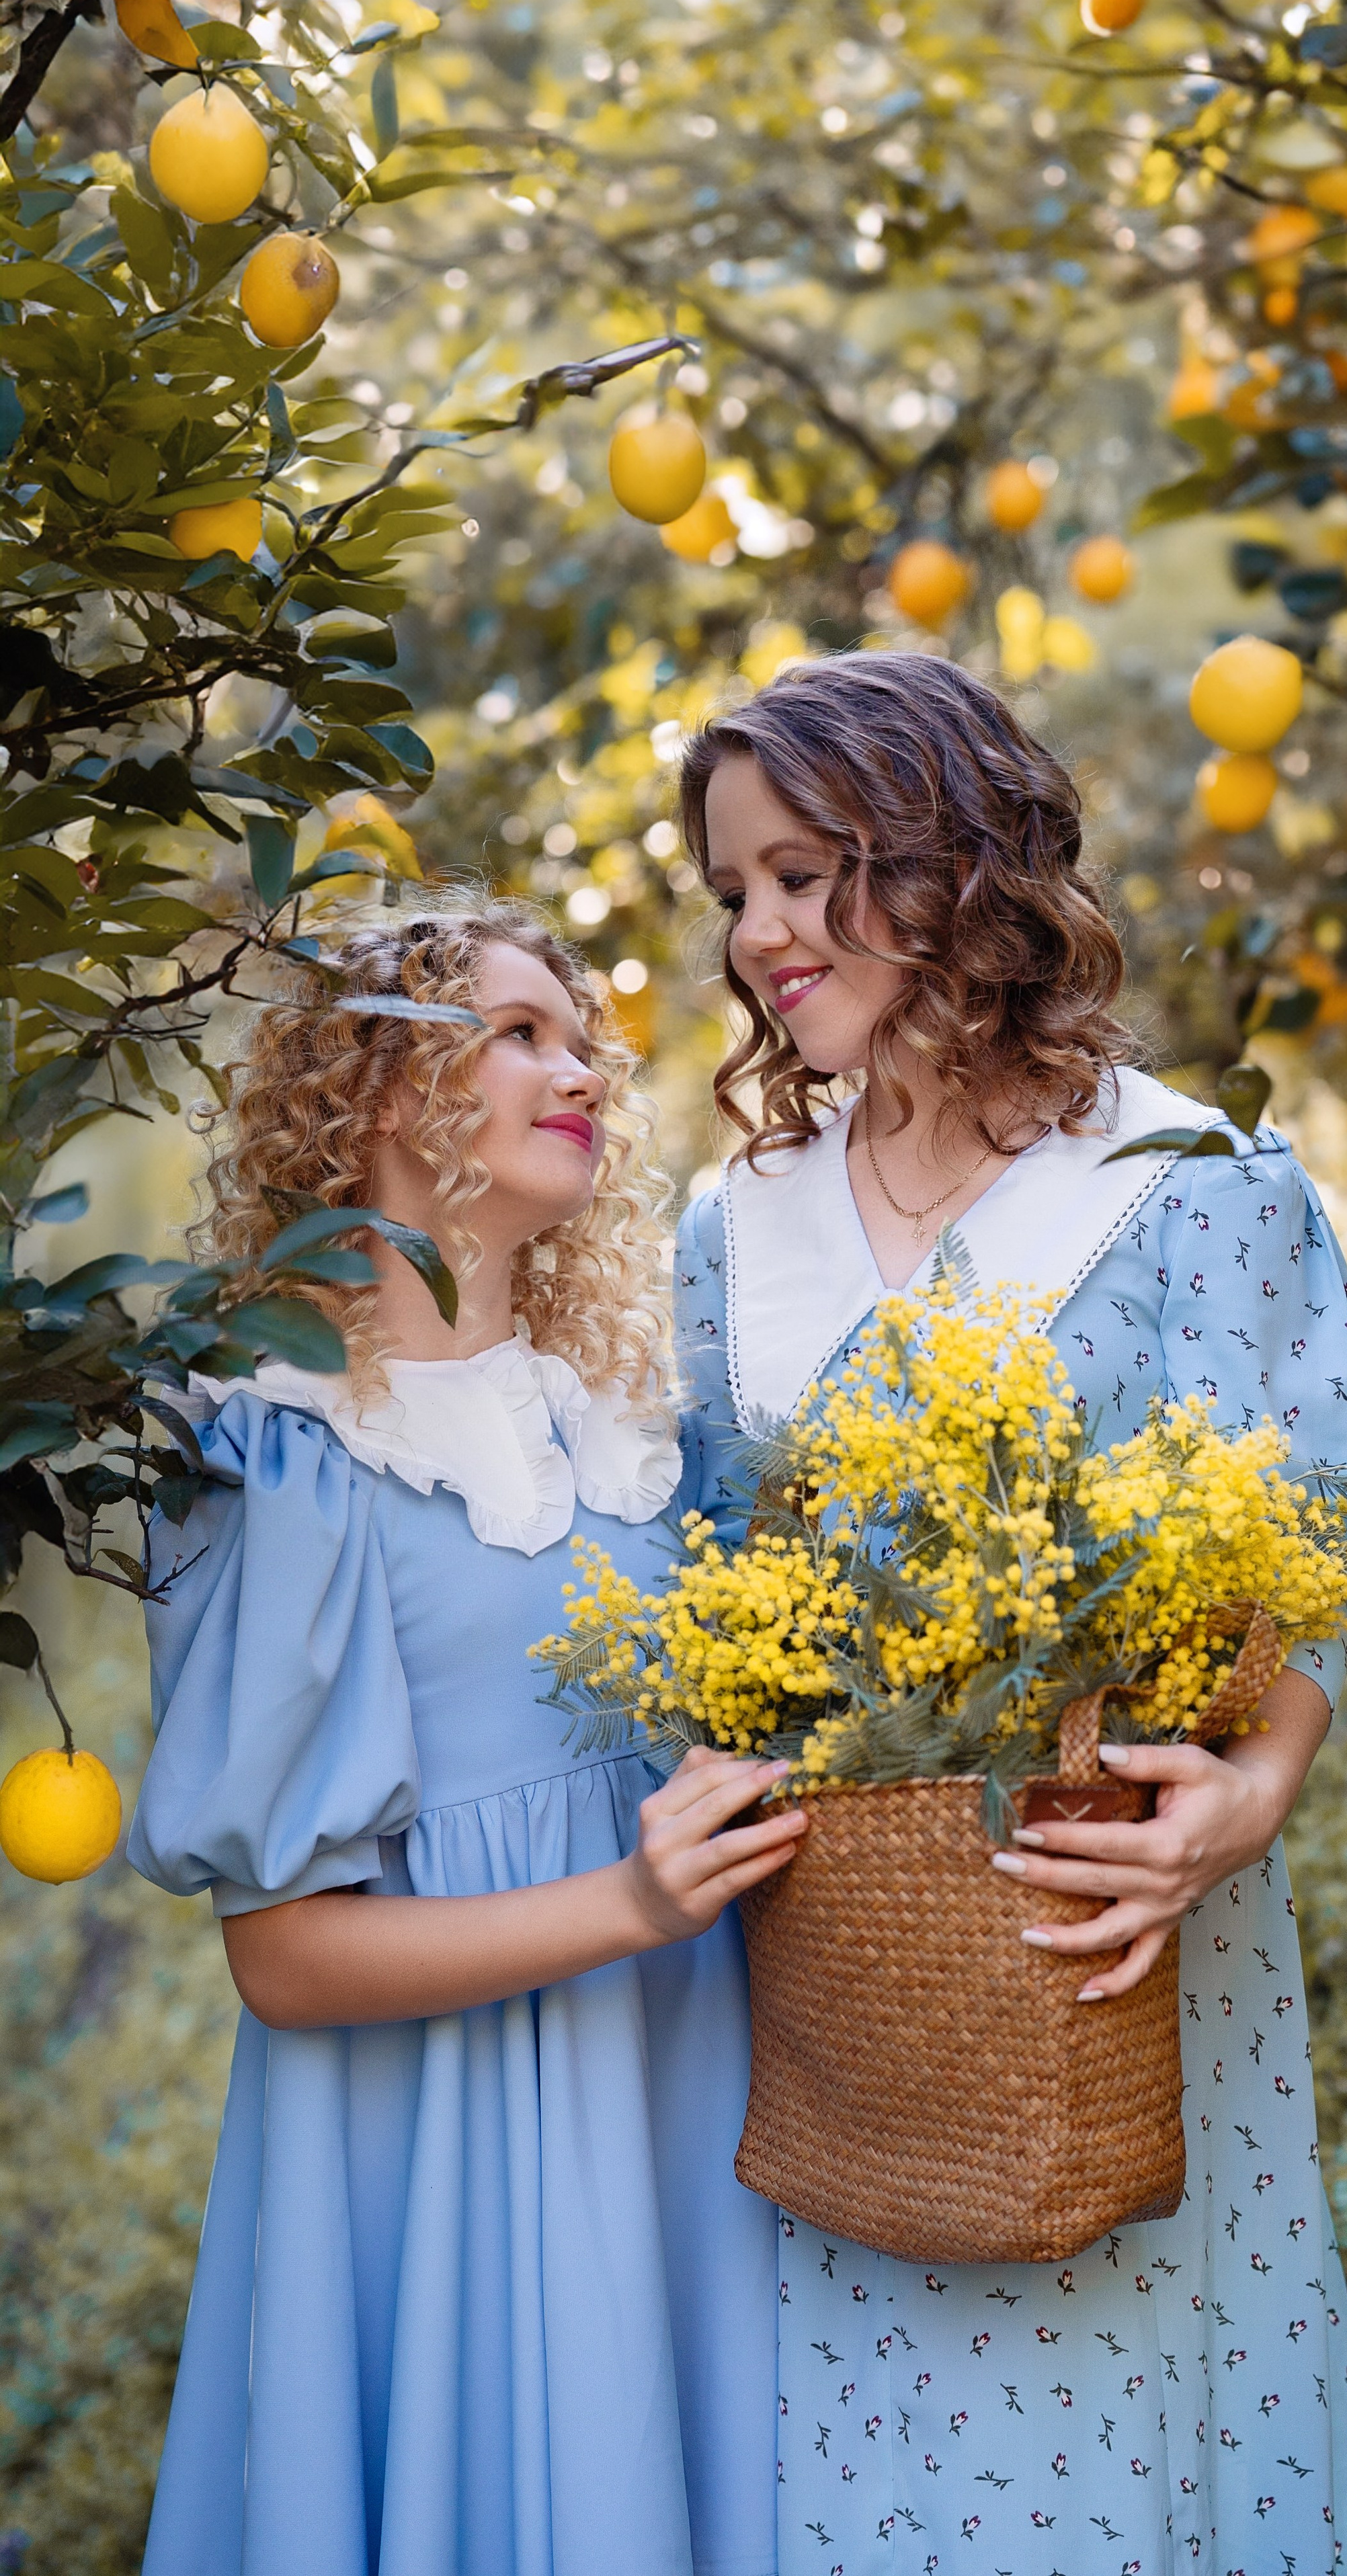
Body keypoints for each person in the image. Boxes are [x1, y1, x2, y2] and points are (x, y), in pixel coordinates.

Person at [672, 656, 1347, 2576]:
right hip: (852, 1991)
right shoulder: (725, 1232)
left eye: (802, 874)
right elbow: (708, 1586)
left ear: (949, 862)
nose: (757, 935)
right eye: (732, 892)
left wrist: (1255, 1797)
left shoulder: (1190, 1186)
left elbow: (1303, 1556)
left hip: (1117, 1932)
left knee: (1133, 2429)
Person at [128, 903, 803, 2576]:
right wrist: (628, 1910)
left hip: (687, 2097)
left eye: (576, 1038)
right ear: (373, 1088)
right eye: (517, 1033)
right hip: (440, 2154)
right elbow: (284, 1960)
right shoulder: (273, 1459)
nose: (577, 1068)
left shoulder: (651, 1441)